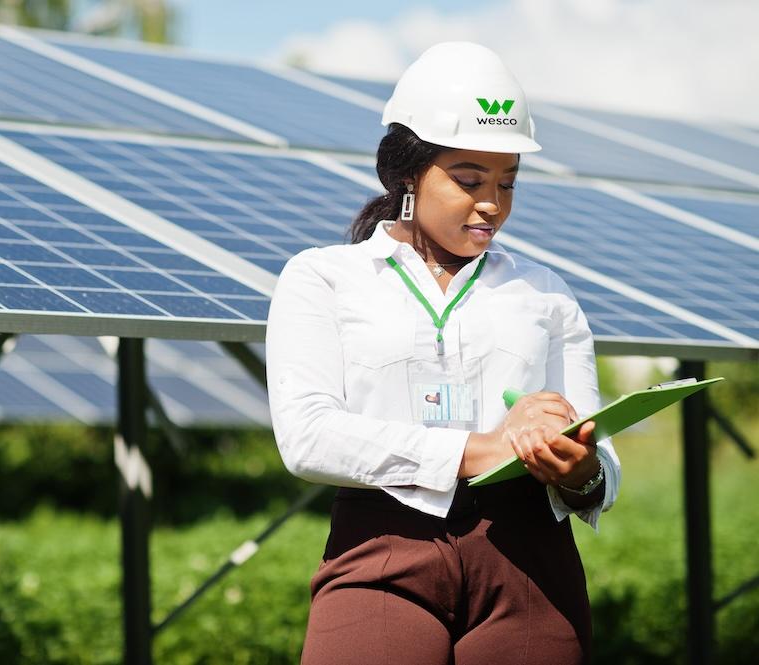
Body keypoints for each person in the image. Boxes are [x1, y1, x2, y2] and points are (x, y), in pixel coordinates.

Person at [265, 42, 621, 665]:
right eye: (468, 179)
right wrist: (485, 448)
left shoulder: (544, 293)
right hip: (383, 546)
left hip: (530, 559)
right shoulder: (322, 278)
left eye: (508, 181)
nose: (493, 204)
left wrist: (578, 470)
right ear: (408, 171)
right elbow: (308, 437)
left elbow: (601, 465)